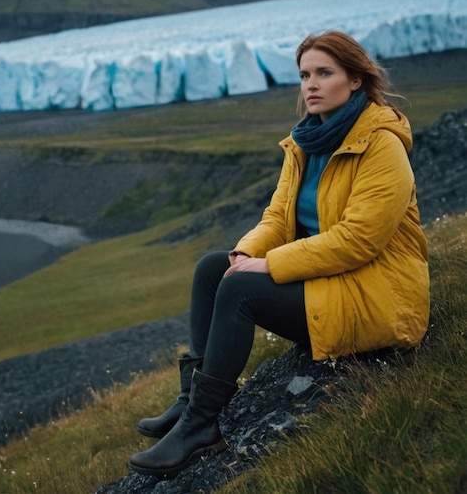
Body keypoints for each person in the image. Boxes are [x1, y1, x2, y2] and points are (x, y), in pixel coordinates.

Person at [128, 30, 430, 478]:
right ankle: (190, 400)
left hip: (378, 295)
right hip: (330, 283)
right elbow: (276, 218)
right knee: (215, 269)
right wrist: (245, 252)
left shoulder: (381, 145)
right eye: (305, 74)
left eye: (324, 73)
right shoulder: (306, 143)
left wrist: (267, 265)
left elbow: (358, 241)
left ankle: (201, 426)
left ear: (355, 81)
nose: (311, 84)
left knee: (243, 290)